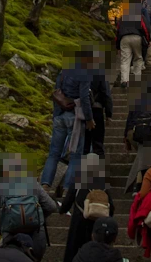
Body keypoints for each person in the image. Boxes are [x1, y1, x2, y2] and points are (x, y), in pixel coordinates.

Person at [42, 49, 100, 194]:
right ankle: (68, 188)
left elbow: (57, 92)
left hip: (60, 115)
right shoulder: (84, 74)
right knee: (76, 154)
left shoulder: (64, 72)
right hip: (75, 117)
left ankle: (45, 184)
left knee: (54, 153)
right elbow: (84, 98)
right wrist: (89, 118)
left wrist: (56, 114)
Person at [0, 155, 59, 252]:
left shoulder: (0, 186)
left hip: (10, 238)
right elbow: (51, 207)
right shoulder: (33, 184)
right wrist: (38, 216)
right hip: (35, 235)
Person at [59, 154, 112, 262]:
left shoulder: (79, 181)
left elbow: (68, 201)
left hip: (79, 222)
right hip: (97, 225)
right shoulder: (103, 184)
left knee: (74, 250)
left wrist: (61, 210)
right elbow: (111, 206)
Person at [115, 0, 150, 87]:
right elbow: (145, 28)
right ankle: (136, 80)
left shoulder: (122, 17)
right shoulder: (139, 16)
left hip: (124, 38)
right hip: (136, 37)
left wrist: (117, 46)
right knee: (138, 58)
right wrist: (147, 40)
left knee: (125, 59)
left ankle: (124, 80)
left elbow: (118, 31)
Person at [86, 60, 114, 157]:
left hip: (82, 110)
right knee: (97, 143)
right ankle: (98, 168)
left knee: (84, 145)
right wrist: (108, 114)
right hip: (96, 110)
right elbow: (106, 93)